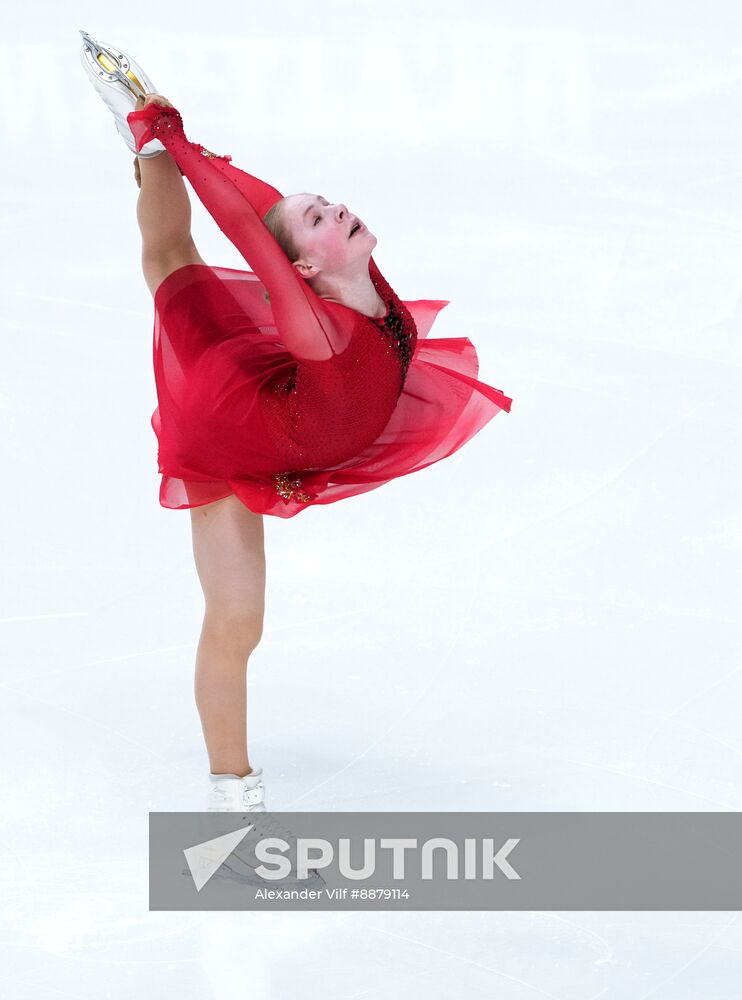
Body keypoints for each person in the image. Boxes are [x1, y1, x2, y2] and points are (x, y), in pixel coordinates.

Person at [80, 32, 513, 814]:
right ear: (305, 270)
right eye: (322, 217)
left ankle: (141, 145)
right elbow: (255, 234)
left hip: (297, 418)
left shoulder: (361, 281)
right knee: (238, 622)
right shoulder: (319, 325)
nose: (338, 209)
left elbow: (268, 205)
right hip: (234, 425)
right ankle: (231, 803)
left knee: (173, 262)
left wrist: (191, 145)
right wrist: (170, 140)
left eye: (333, 204)